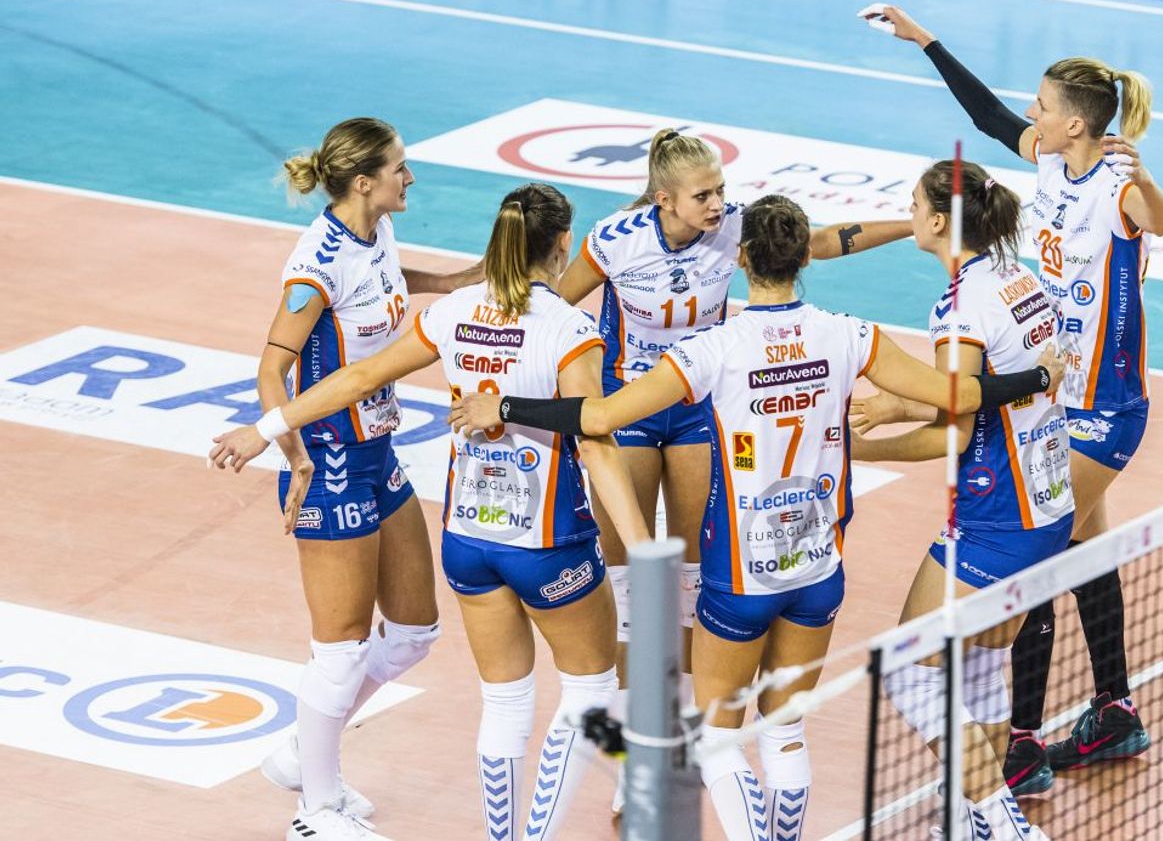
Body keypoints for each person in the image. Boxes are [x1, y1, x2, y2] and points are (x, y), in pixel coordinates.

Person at [449, 195, 1061, 841]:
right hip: (818, 572)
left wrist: (506, 406)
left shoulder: (712, 349)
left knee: (718, 740)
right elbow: (959, 395)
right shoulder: (851, 335)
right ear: (804, 259)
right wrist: (1034, 379)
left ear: (741, 259)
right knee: (785, 732)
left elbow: (598, 417)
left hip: (741, 579)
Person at [212, 183, 652, 841]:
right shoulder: (570, 331)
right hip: (549, 541)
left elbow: (356, 378)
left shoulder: (456, 312)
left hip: (468, 543)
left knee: (505, 700)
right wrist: (643, 544)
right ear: (564, 244)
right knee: (588, 690)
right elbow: (595, 443)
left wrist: (265, 427)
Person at [858, 6, 1163, 795]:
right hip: (1053, 390)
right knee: (1085, 547)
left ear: (1076, 124)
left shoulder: (1118, 189)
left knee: (1040, 555)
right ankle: (1114, 709)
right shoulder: (1048, 161)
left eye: (1043, 105)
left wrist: (1144, 178)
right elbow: (988, 117)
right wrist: (928, 41)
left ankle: (1023, 744)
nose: (1030, 112)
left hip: (1103, 408)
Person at [556, 128, 914, 811]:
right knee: (633, 588)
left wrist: (911, 226)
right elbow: (557, 305)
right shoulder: (615, 240)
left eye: (720, 189)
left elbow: (825, 240)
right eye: (703, 195)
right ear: (664, 199)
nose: (718, 204)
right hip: (631, 407)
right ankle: (638, 754)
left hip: (698, 411)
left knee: (697, 583)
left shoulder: (735, 230)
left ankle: (689, 741)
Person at [209, 118, 479, 840]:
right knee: (341, 645)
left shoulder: (376, 229)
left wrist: (451, 283)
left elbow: (385, 281)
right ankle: (316, 812)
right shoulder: (314, 267)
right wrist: (292, 453)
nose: (410, 178)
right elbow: (271, 369)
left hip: (377, 451)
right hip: (329, 460)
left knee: (414, 631)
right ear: (364, 182)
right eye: (399, 168)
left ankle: (303, 751)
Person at [851, 160, 1068, 841]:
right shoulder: (1015, 276)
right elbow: (986, 389)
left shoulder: (958, 309)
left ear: (941, 220)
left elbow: (955, 431)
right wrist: (897, 404)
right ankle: (976, 824)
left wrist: (858, 451)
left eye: (916, 205)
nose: (910, 214)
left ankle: (1006, 826)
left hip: (997, 515)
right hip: (1047, 501)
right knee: (976, 665)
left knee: (908, 667)